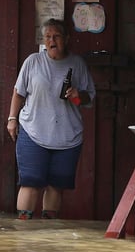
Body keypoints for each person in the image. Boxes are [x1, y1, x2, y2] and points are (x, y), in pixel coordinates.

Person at [6, 18, 96, 219]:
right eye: (47, 37)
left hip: (67, 136)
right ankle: (23, 229)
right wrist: (12, 119)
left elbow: (90, 97)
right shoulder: (33, 61)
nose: (52, 41)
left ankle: (48, 230)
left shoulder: (77, 64)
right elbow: (18, 92)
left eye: (56, 36)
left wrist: (77, 96)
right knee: (30, 182)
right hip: (33, 132)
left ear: (67, 39)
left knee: (56, 185)